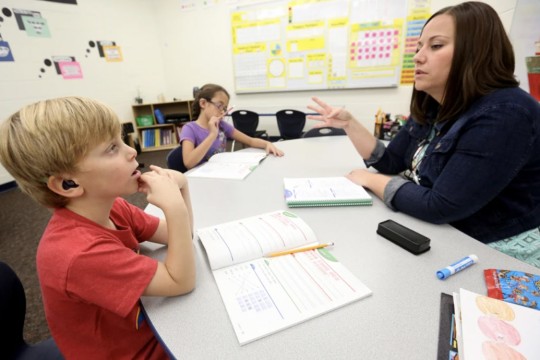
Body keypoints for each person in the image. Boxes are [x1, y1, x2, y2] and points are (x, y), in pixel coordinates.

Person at [308, 2, 540, 267]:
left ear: (476, 51)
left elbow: (441, 206)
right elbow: (390, 162)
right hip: (442, 234)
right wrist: (349, 124)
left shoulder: (506, 113)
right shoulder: (434, 105)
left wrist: (369, 180)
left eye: (436, 46)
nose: (418, 56)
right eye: (419, 47)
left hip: (495, 252)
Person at [0, 96, 196, 359]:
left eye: (122, 139)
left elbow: (181, 237)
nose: (132, 151)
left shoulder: (113, 207)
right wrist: (174, 208)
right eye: (112, 148)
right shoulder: (79, 253)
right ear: (68, 184)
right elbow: (181, 281)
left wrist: (181, 188)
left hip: (146, 329)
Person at [180, 83, 284, 169]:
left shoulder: (222, 126)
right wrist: (212, 135)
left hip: (221, 172)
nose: (222, 112)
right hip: (200, 178)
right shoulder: (189, 129)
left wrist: (267, 144)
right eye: (219, 106)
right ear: (203, 103)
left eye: (224, 108)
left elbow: (250, 141)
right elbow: (189, 163)